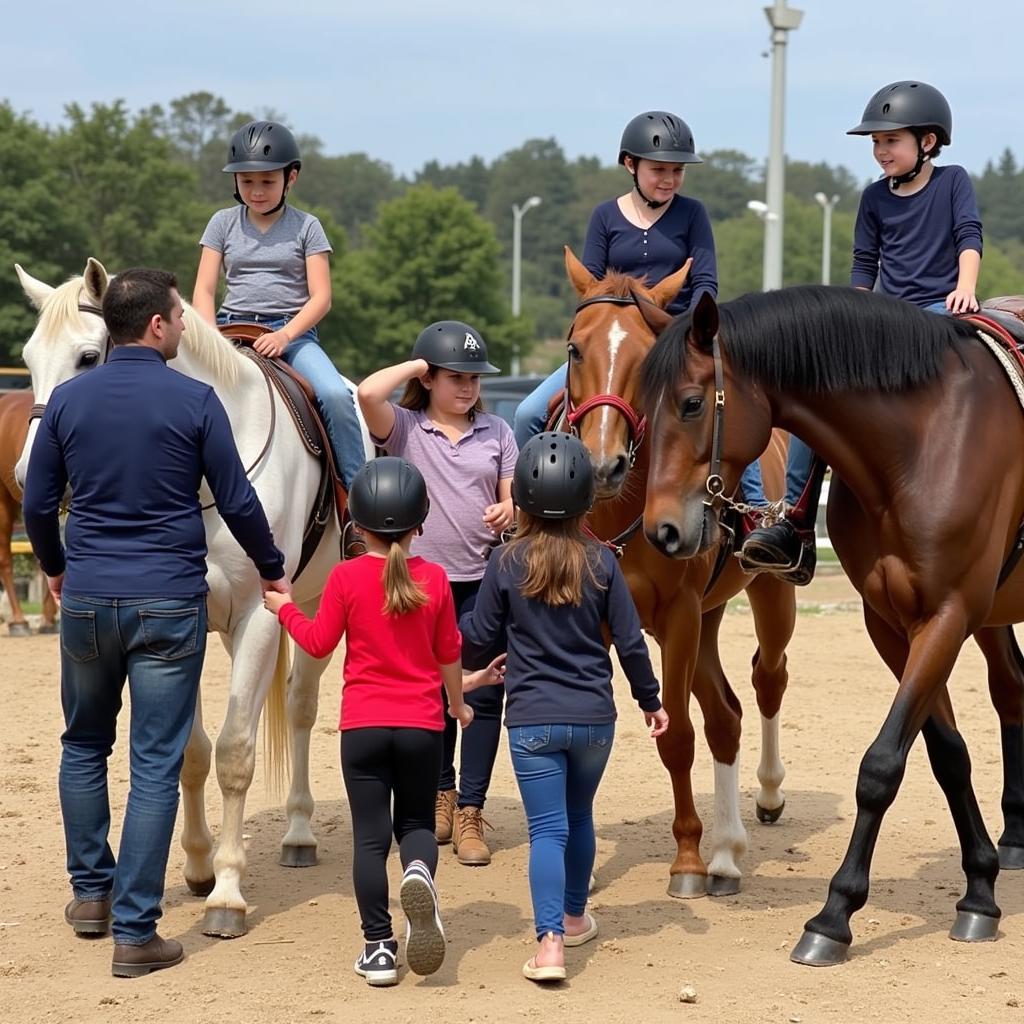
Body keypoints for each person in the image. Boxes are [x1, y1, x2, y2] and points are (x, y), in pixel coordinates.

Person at [22, 268, 290, 978]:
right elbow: (235, 500)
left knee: (82, 745)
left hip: (86, 599)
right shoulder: (197, 400)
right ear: (159, 326)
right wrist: (269, 566)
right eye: (177, 315)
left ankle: (90, 897)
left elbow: (38, 501)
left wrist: (55, 567)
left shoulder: (69, 402)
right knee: (154, 763)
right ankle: (136, 931)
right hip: (168, 603)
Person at [263, 457, 499, 986]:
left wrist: (284, 608)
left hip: (363, 729)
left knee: (369, 841)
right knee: (416, 826)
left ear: (358, 524)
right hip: (421, 729)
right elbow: (448, 652)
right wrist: (460, 704)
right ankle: (419, 872)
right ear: (422, 522)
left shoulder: (345, 578)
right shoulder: (436, 579)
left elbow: (319, 642)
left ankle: (378, 949)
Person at [739, 80, 983, 584]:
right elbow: (864, 264)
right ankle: (796, 526)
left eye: (890, 140)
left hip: (939, 307)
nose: (880, 150)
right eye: (875, 142)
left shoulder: (953, 181)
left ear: (927, 143)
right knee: (822, 397)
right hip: (887, 318)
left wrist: (965, 288)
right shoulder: (873, 197)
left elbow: (968, 237)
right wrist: (856, 314)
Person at [458, 432, 668, 982]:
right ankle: (575, 919)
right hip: (595, 720)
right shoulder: (603, 561)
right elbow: (630, 641)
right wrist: (652, 700)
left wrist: (449, 640)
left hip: (531, 721)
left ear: (522, 497)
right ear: (585, 500)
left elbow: (478, 637)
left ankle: (549, 943)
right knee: (579, 818)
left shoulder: (505, 561)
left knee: (547, 830)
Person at [357, 322, 517, 867]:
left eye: (474, 377)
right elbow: (366, 393)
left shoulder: (497, 431)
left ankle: (472, 807)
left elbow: (510, 499)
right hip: (422, 583)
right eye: (455, 376)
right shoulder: (403, 428)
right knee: (434, 692)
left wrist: (509, 509)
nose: (468, 387)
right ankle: (440, 793)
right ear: (429, 379)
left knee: (484, 691)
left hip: (481, 581)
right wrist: (419, 366)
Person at [512, 110, 717, 448]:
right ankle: (521, 497)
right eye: (659, 169)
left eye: (677, 171)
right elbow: (591, 286)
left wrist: (690, 334)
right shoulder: (605, 215)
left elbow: (706, 283)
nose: (669, 179)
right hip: (610, 345)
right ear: (630, 164)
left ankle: (753, 497)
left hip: (674, 340)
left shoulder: (693, 213)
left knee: (726, 409)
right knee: (527, 413)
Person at [192, 119, 366, 492]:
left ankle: (357, 499)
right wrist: (211, 341)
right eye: (247, 181)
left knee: (336, 396)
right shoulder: (221, 224)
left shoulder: (307, 227)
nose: (257, 191)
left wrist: (285, 335)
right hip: (230, 327)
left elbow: (322, 297)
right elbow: (204, 292)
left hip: (291, 333)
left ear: (291, 178)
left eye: (267, 182)